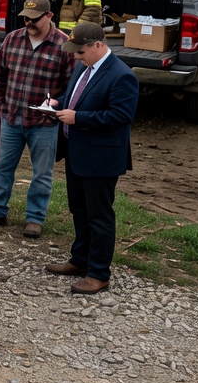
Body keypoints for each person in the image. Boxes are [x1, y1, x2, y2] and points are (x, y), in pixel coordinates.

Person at [46, 22, 138, 295]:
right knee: (79, 209)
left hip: (101, 158)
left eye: (81, 51)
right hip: (78, 153)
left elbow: (121, 116)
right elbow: (77, 97)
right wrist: (58, 104)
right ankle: (80, 259)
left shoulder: (122, 75)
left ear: (98, 45)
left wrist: (78, 118)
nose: (75, 56)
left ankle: (99, 273)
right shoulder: (83, 67)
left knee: (99, 216)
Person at [0, 0, 75, 239]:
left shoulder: (64, 46)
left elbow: (71, 87)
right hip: (11, 118)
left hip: (43, 124)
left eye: (35, 19)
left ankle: (35, 218)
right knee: (2, 167)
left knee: (42, 173)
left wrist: (56, 110)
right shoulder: (13, 39)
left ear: (49, 17)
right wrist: (1, 107)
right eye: (25, 18)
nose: (29, 23)